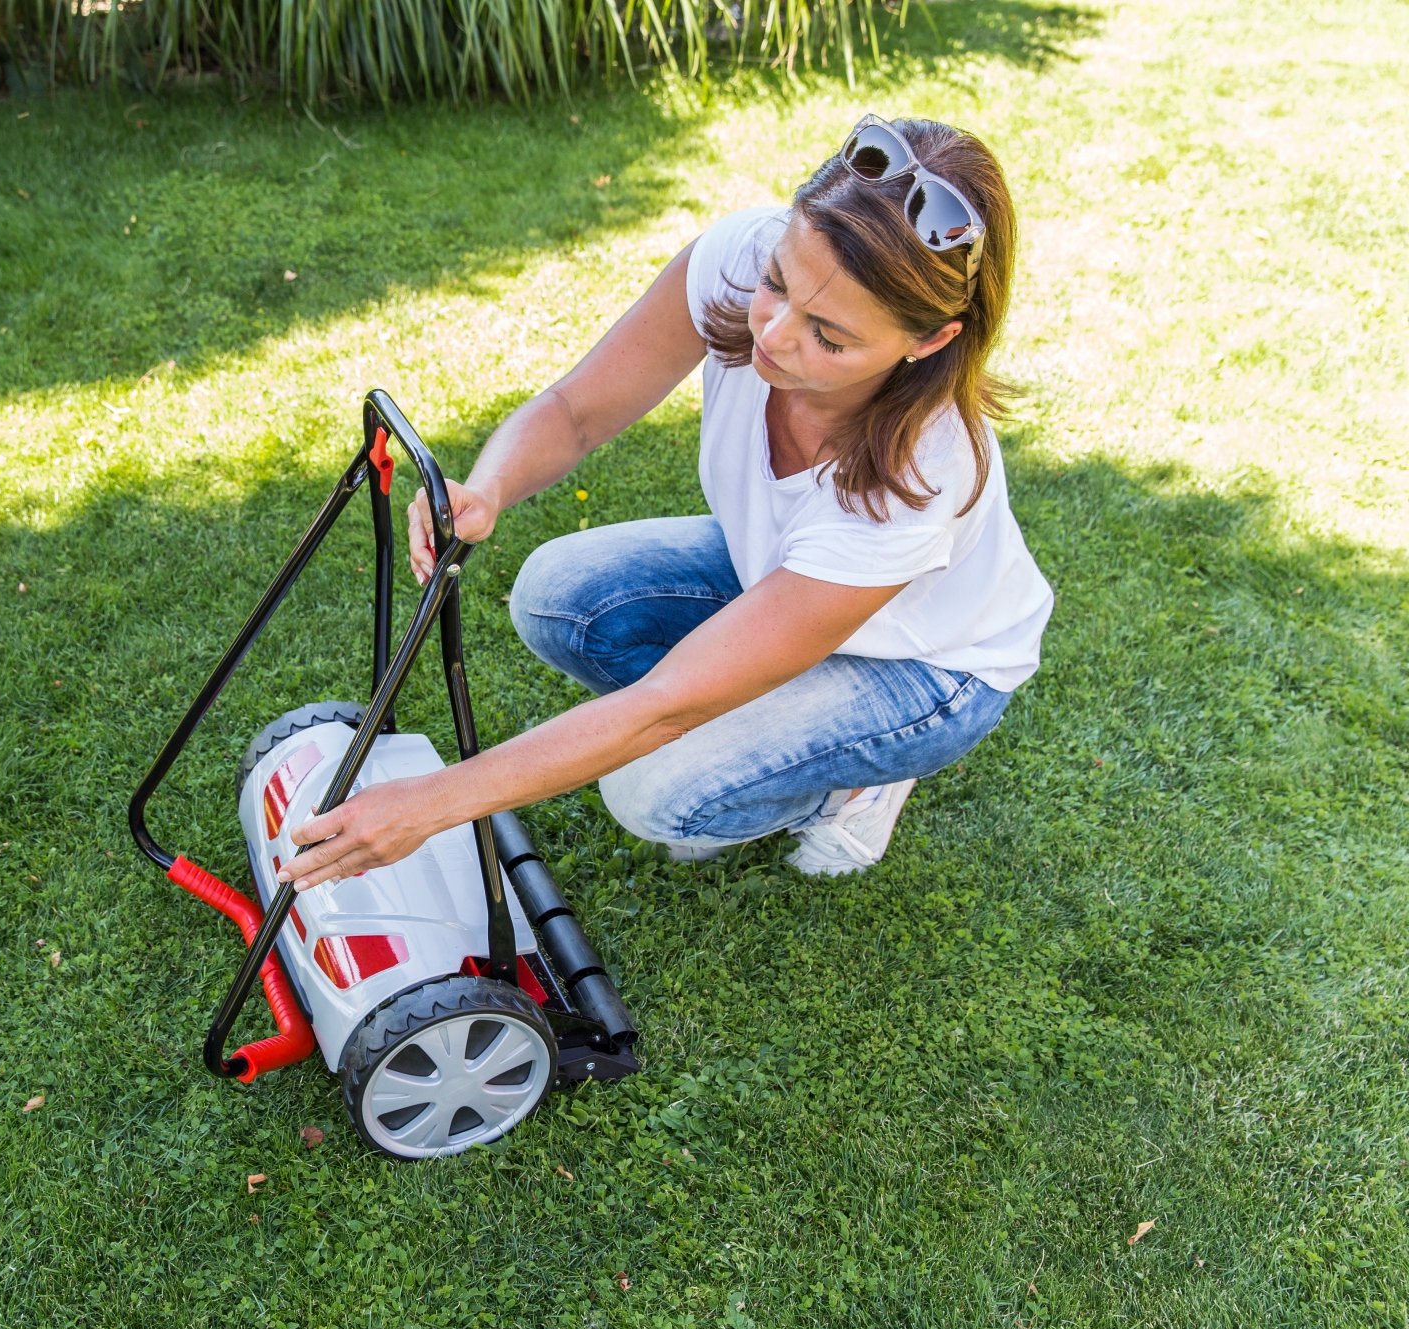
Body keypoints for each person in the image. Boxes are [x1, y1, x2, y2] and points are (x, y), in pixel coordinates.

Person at [278, 114, 1053, 889]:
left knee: (654, 789)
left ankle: (849, 785)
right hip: (783, 574)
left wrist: (431, 804)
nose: (775, 335)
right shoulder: (742, 258)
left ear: (928, 340)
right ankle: (769, 703)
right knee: (556, 597)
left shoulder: (924, 475)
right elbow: (575, 411)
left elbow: (665, 707)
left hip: (928, 666)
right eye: (780, 283)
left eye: (829, 336)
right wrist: (488, 486)